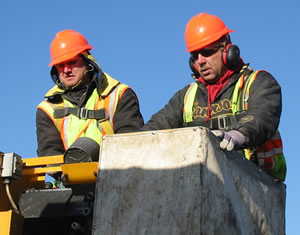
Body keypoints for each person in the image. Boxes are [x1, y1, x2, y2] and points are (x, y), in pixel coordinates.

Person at [141, 13, 286, 181]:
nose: (200, 61)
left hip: (258, 189)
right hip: (205, 188)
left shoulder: (258, 82)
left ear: (228, 51)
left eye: (207, 52)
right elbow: (153, 128)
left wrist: (238, 135)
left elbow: (263, 116)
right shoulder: (186, 96)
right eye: (195, 56)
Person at [36, 29, 144, 161]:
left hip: (114, 176)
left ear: (87, 61)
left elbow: (131, 143)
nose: (66, 70)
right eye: (60, 65)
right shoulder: (48, 109)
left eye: (72, 62)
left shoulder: (119, 95)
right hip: (68, 179)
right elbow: (49, 154)